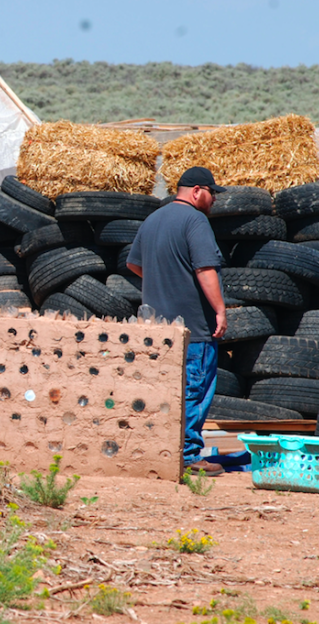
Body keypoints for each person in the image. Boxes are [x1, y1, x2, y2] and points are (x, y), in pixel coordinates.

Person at [126, 166, 227, 476]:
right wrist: (221, 310)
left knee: (162, 391)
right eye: (211, 194)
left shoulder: (153, 219)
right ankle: (188, 456)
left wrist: (164, 280)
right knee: (193, 390)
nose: (213, 202)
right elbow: (205, 269)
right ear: (197, 191)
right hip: (194, 329)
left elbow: (133, 264)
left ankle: (160, 451)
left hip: (157, 330)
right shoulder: (195, 220)